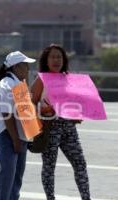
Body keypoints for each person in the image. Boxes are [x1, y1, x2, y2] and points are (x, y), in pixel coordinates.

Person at [31, 44, 91, 200]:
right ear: (46, 60)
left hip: (69, 127)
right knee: (49, 167)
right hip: (50, 127)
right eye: (53, 57)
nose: (56, 60)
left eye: (59, 57)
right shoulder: (41, 79)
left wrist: (78, 112)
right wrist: (43, 110)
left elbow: (75, 101)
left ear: (64, 60)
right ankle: (50, 198)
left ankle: (86, 197)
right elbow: (29, 104)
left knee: (80, 164)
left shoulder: (70, 78)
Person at [0, 51, 36, 200]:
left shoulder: (19, 84)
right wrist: (15, 140)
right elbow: (7, 115)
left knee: (17, 176)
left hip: (19, 135)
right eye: (26, 66)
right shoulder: (5, 85)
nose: (28, 69)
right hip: (6, 134)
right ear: (16, 67)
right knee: (8, 173)